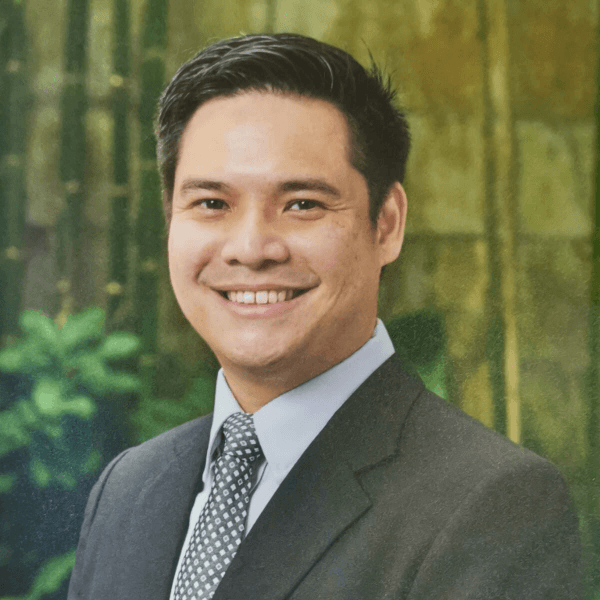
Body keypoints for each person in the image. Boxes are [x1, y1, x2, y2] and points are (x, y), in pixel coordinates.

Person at [68, 33, 583, 600]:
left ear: (385, 224)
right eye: (212, 203)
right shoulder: (129, 488)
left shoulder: (492, 503)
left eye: (302, 204)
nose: (252, 247)